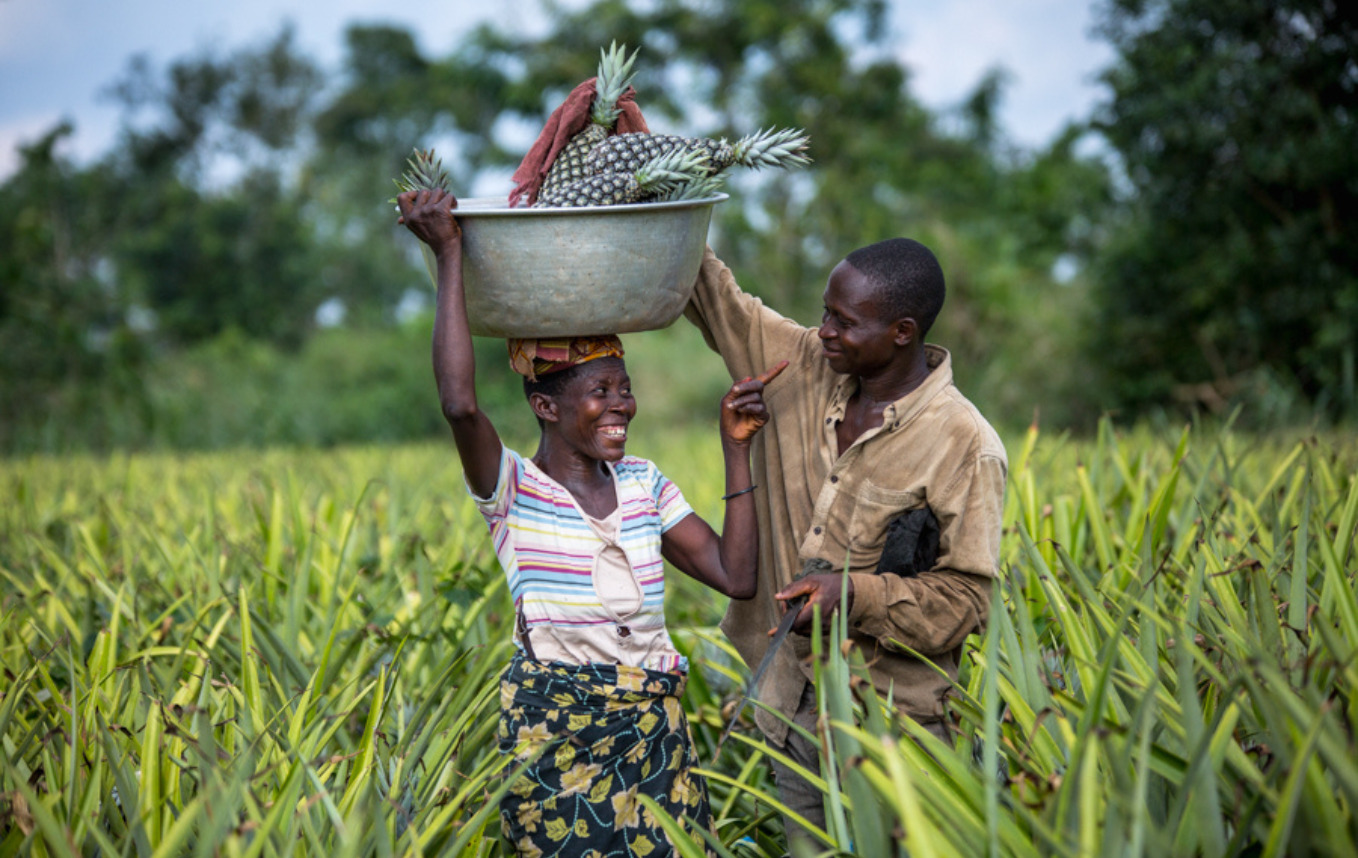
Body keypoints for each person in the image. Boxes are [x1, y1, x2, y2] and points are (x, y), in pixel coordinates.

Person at [396, 187, 787, 858]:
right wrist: (450, 253)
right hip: (554, 726)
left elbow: (736, 575)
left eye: (624, 388)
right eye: (600, 393)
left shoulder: (643, 485)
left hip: (652, 728)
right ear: (546, 407)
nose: (621, 406)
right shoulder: (513, 490)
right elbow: (461, 405)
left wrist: (735, 448)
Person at [684, 238, 1007, 842]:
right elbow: (710, 291)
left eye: (845, 321)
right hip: (792, 706)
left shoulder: (965, 443)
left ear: (903, 331)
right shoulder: (805, 365)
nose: (824, 330)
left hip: (893, 724)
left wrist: (852, 594)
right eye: (825, 312)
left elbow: (968, 600)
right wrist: (652, 167)